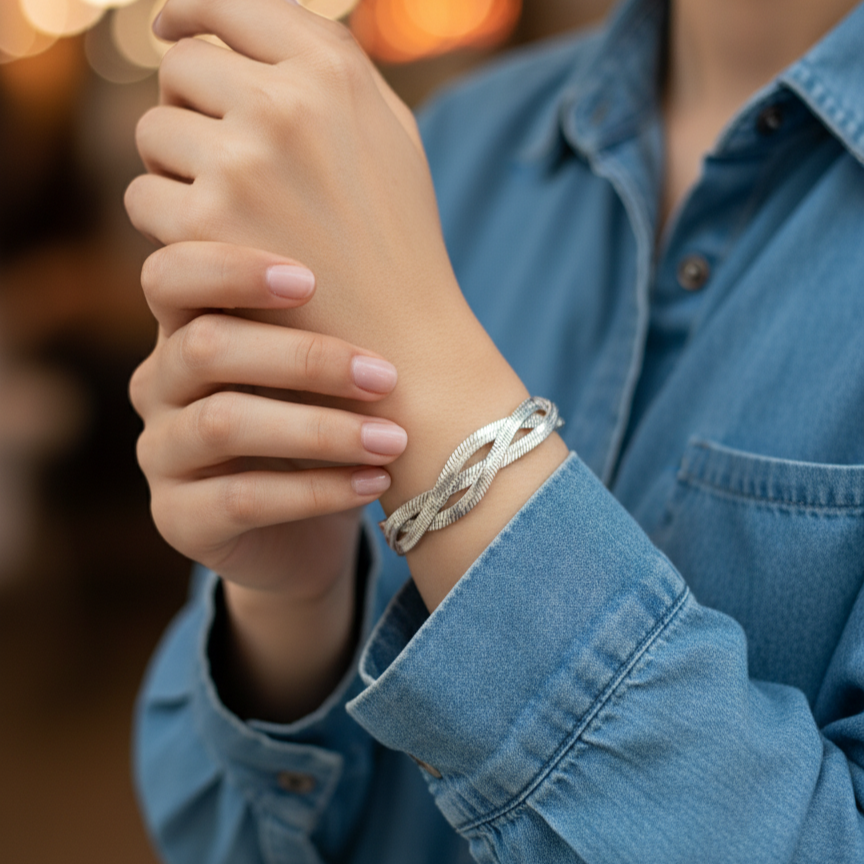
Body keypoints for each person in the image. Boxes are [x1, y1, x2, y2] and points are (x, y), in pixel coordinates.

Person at [124, 0, 864, 860]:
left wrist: (430, 385)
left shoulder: (377, 164)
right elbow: (216, 827)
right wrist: (293, 606)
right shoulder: (442, 145)